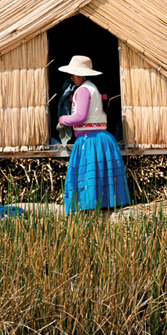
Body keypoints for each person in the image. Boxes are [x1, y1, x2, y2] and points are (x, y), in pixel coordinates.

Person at [58, 55, 131, 215]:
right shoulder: (93, 88)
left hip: (91, 141)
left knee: (89, 180)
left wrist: (63, 119)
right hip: (102, 139)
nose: (71, 78)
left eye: (73, 75)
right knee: (102, 179)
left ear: (78, 75)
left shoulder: (83, 90)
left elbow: (80, 117)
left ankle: (91, 215)